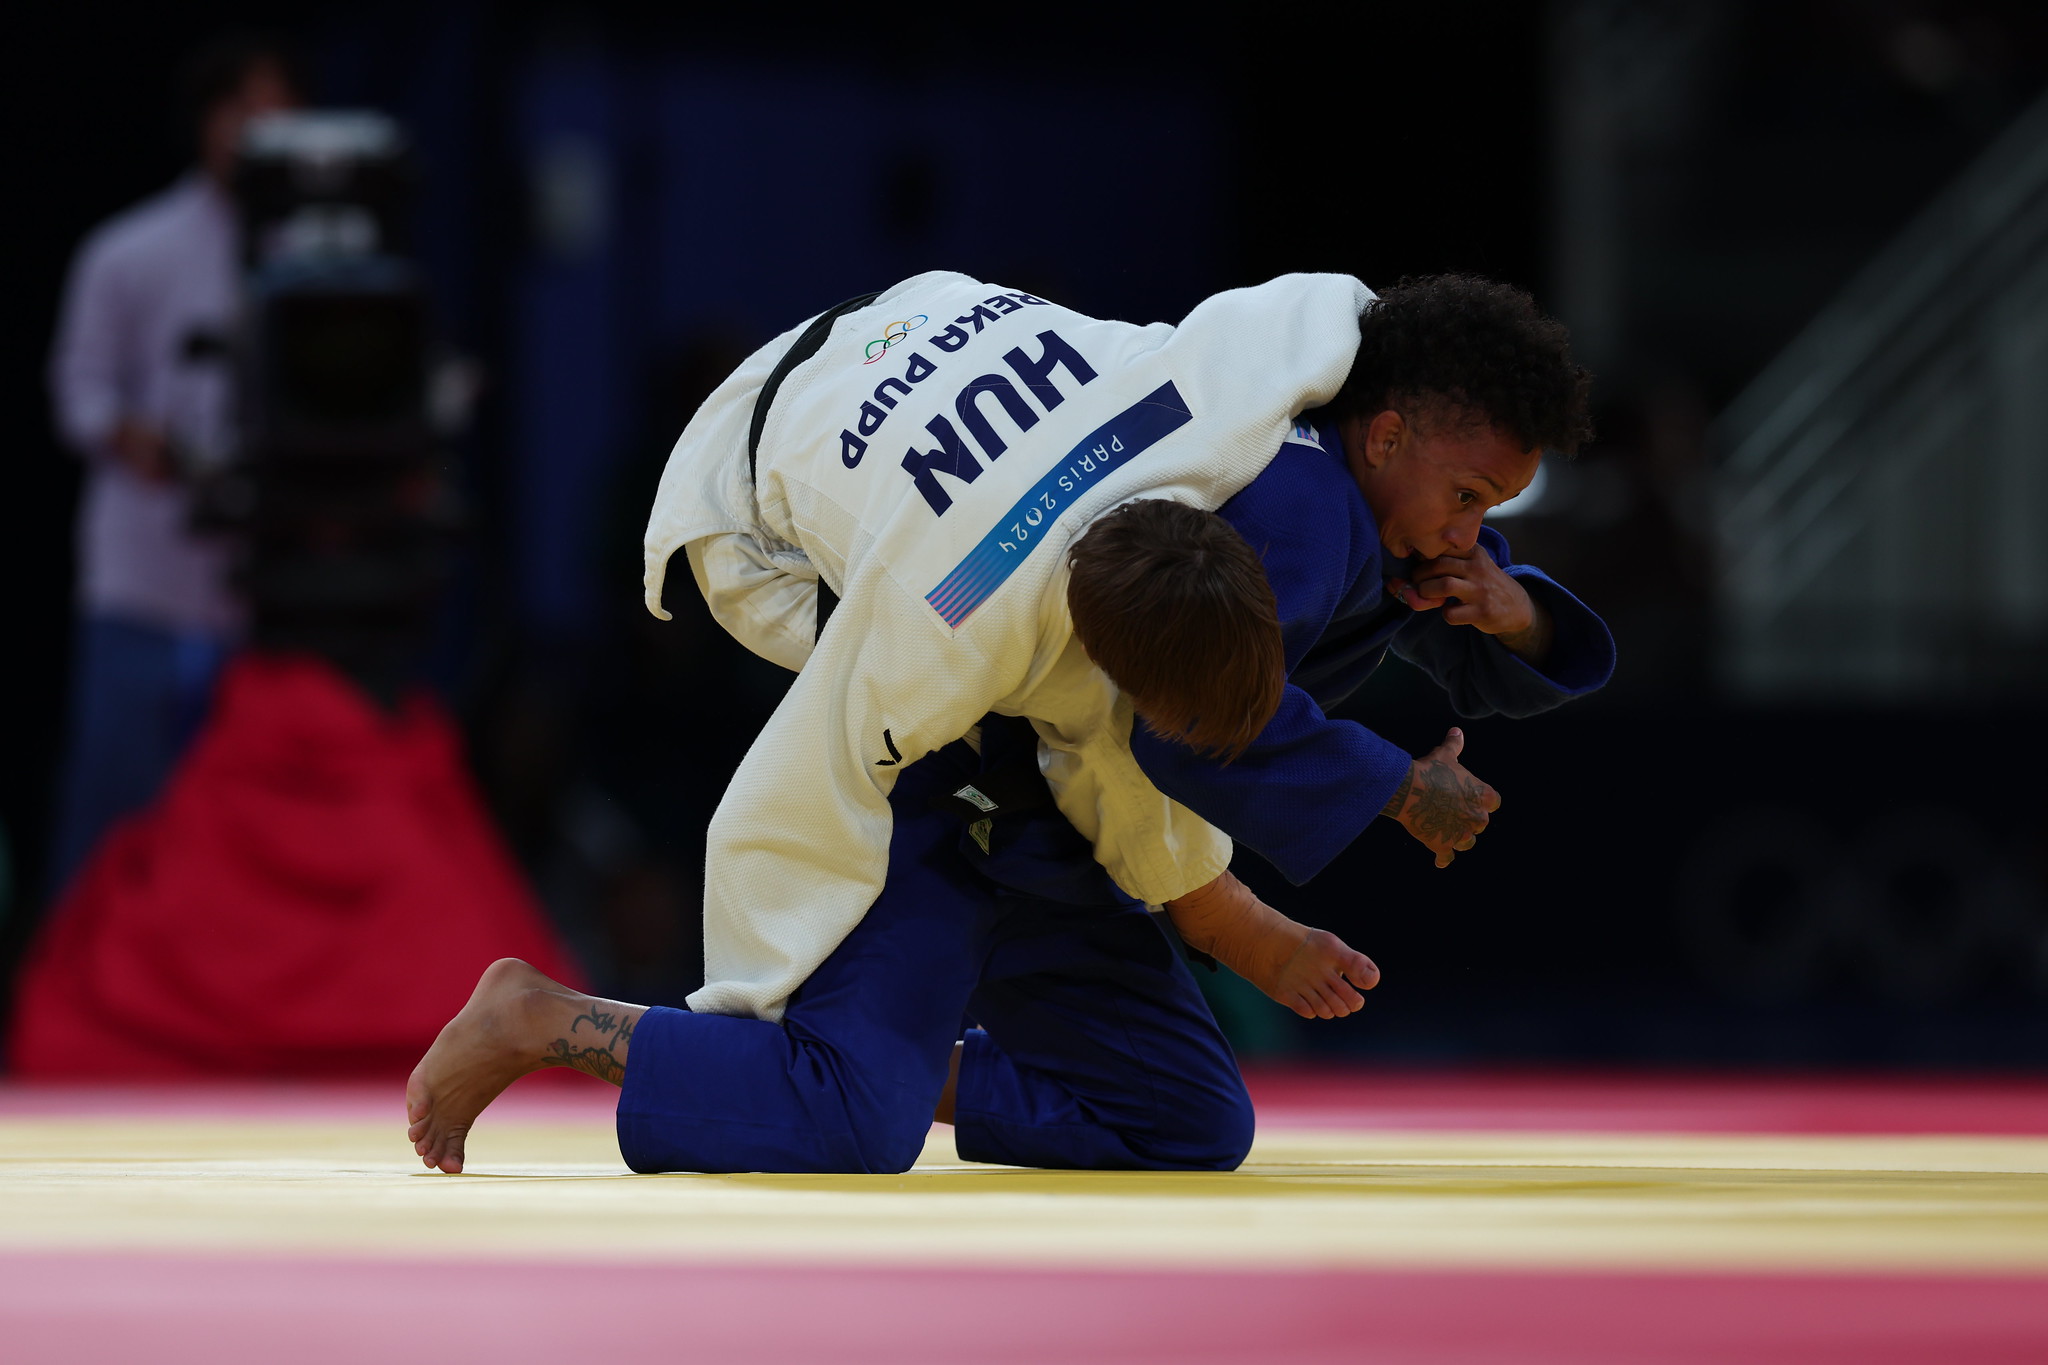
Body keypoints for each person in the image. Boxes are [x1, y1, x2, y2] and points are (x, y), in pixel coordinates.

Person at [406, 271, 1613, 1176]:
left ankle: (900, 1050)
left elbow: (1155, 726)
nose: (1467, 534)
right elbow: (830, 779)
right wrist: (1378, 805)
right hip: (777, 512)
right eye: (1466, 500)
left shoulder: (1303, 385)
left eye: (1488, 512)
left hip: (909, 370)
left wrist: (1513, 619)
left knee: (1184, 1120)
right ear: (1389, 434)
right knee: (843, 1116)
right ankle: (547, 1016)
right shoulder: (967, 617)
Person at [43, 36, 298, 898]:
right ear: (207, 122)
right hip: (142, 588)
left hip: (258, 599)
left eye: (277, 112)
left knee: (242, 834)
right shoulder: (129, 251)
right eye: (242, 110)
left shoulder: (317, 265)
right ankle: (68, 1018)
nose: (258, 132)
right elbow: (77, 389)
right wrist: (131, 437)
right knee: (115, 816)